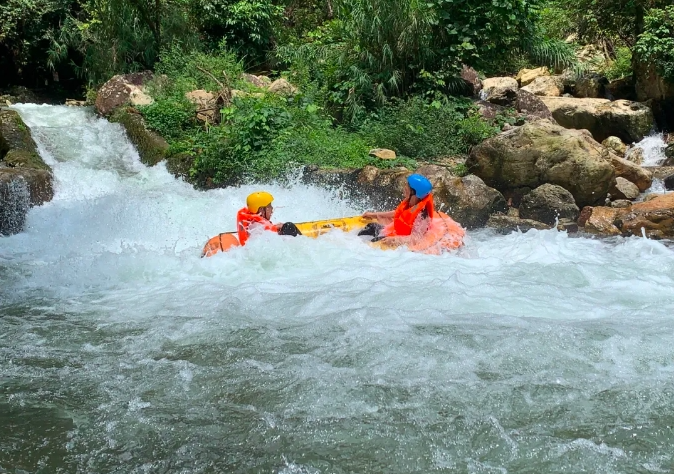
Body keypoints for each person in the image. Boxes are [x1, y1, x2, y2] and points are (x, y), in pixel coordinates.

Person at [359, 174, 434, 241]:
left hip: (401, 240)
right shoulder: (410, 203)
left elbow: (416, 238)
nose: (404, 187)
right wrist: (373, 215)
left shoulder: (422, 215)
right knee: (371, 227)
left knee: (375, 241)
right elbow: (397, 213)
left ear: (413, 192)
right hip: (395, 232)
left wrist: (394, 239)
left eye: (407, 186)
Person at [236, 191, 301, 246]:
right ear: (261, 210)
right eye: (269, 206)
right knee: (289, 226)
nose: (272, 208)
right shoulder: (257, 229)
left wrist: (275, 228)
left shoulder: (253, 224)